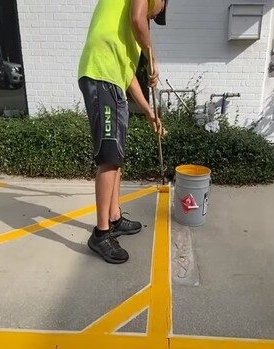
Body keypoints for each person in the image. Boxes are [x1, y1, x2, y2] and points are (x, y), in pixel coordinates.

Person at [78, 0, 168, 264]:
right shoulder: (136, 19)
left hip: (113, 81)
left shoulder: (129, 37)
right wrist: (153, 57)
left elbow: (129, 78)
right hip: (100, 74)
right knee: (108, 157)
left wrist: (149, 112)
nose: (154, 17)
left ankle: (114, 218)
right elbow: (139, 19)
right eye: (158, 11)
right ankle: (101, 233)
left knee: (116, 154)